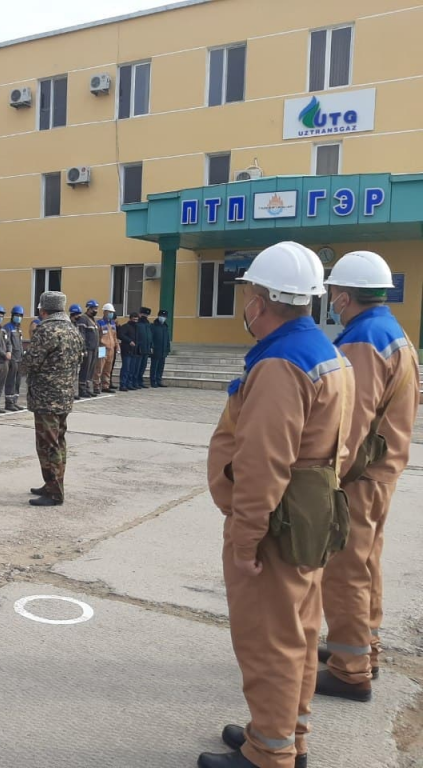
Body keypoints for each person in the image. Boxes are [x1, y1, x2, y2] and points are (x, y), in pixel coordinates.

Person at [201, 241, 352, 768]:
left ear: (260, 301)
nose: (246, 304)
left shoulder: (281, 364)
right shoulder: (324, 350)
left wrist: (246, 540)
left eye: (248, 294)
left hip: (276, 524)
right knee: (299, 633)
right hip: (308, 513)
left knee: (269, 639)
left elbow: (263, 462)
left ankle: (270, 751)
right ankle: (287, 734)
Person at [317, 251, 419, 702]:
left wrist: (330, 476)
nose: (332, 300)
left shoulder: (363, 339)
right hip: (382, 469)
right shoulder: (390, 330)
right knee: (366, 563)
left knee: (345, 569)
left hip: (360, 474)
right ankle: (362, 649)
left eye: (334, 292)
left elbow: (351, 420)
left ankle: (349, 670)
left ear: (343, 295)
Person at [22, 291, 83, 508]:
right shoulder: (73, 330)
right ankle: (52, 483)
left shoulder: (46, 330)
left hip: (46, 398)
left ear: (44, 309)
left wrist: (22, 365)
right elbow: (80, 359)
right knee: (58, 442)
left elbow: (31, 361)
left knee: (48, 445)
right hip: (64, 396)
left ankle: (55, 492)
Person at [3, 305, 25, 412]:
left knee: (18, 382)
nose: (18, 317)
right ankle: (9, 403)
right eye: (16, 315)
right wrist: (9, 354)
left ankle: (15, 401)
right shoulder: (8, 328)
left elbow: (20, 343)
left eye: (20, 315)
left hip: (19, 358)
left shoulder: (18, 329)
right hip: (12, 359)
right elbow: (7, 342)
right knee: (10, 381)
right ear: (12, 316)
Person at [77, 300, 101, 397]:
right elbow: (82, 335)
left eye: (96, 308)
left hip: (94, 348)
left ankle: (87, 388)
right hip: (88, 349)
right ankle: (82, 389)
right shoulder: (83, 319)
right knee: (85, 369)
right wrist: (84, 348)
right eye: (94, 308)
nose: (95, 310)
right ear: (89, 308)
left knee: (91, 370)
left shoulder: (93, 320)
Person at [98, 303, 119, 393]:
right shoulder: (100, 323)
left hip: (111, 348)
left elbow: (115, 336)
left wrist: (117, 346)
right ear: (105, 312)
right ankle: (96, 386)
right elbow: (97, 336)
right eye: (109, 312)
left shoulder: (113, 323)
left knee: (108, 368)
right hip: (102, 348)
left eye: (112, 312)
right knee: (99, 368)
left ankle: (105, 386)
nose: (111, 314)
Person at [117, 312, 140, 391]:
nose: (135, 321)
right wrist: (129, 341)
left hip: (134, 351)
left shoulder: (137, 327)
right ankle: (123, 384)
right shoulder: (125, 326)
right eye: (134, 319)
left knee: (132, 369)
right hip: (126, 350)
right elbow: (120, 335)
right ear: (130, 319)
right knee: (126, 368)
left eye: (136, 319)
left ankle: (129, 383)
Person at [150, 309, 171, 388]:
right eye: (161, 316)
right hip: (156, 350)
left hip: (163, 350)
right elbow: (151, 338)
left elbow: (167, 338)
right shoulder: (153, 326)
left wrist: (168, 348)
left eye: (164, 316)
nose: (162, 318)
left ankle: (159, 380)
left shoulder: (165, 326)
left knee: (161, 366)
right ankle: (153, 381)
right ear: (158, 316)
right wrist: (152, 347)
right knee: (154, 366)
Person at [136, 306, 154, 387]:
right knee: (138, 367)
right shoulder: (137, 324)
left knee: (143, 366)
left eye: (146, 315)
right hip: (139, 348)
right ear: (140, 314)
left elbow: (150, 336)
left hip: (146, 348)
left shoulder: (148, 324)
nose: (145, 316)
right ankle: (135, 381)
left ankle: (140, 381)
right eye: (143, 314)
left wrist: (151, 346)